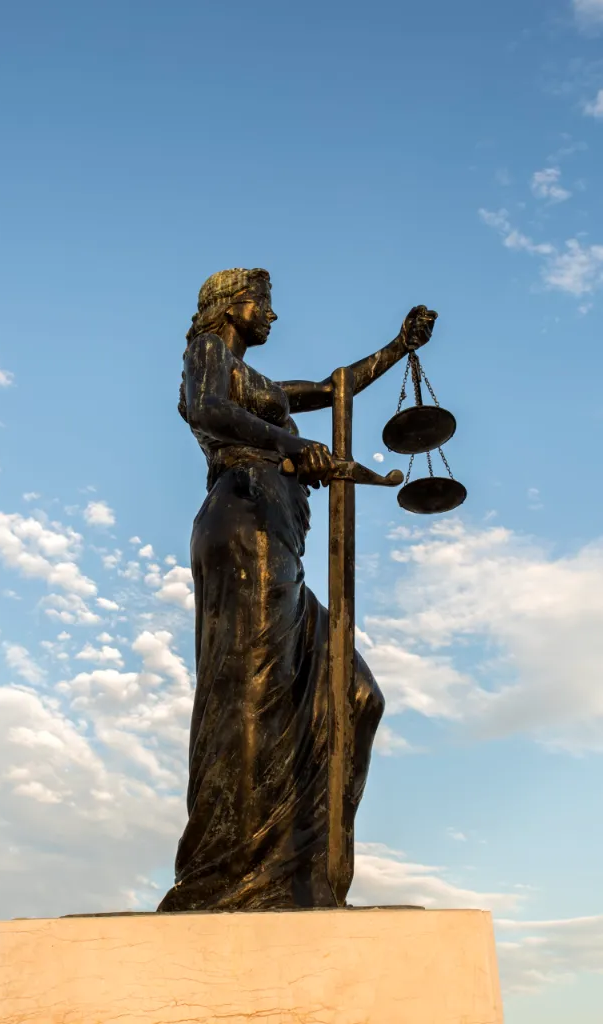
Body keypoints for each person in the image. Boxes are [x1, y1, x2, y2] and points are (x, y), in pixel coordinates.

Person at [158, 268, 436, 912]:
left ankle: (301, 868)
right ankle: (229, 872)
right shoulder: (207, 354)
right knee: (252, 694)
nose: (272, 315)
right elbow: (208, 409)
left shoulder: (257, 384)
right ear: (231, 305)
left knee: (356, 696)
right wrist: (291, 444)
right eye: (263, 303)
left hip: (278, 542)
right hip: (243, 526)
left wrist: (399, 348)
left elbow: (335, 390)